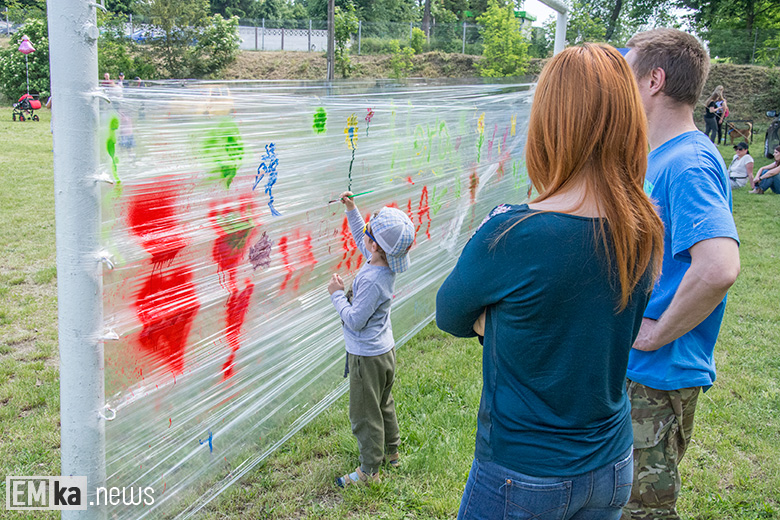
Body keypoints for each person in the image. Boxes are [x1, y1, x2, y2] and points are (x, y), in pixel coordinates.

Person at [436, 43, 665, 520]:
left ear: (549, 125)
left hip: (522, 475)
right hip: (612, 465)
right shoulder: (645, 228)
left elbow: (450, 314)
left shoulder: (512, 232)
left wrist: (503, 324)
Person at [623, 28, 741, 520]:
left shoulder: (689, 162)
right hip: (637, 373)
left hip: (659, 376)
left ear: (654, 79)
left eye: (627, 71)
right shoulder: (661, 155)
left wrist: (654, 334)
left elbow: (718, 268)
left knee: (640, 510)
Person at [328, 193, 415, 487]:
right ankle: (392, 453)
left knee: (365, 415)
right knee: (384, 403)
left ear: (374, 245)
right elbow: (361, 236)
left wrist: (337, 294)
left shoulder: (371, 280)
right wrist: (352, 210)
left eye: (368, 234)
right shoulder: (384, 264)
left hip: (366, 357)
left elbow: (354, 320)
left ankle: (368, 472)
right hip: (384, 351)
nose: (363, 236)